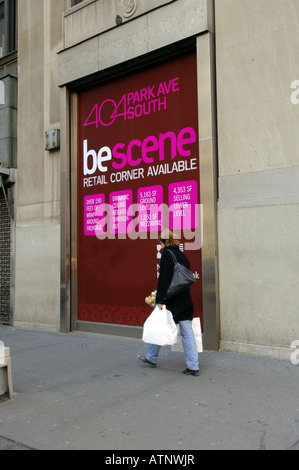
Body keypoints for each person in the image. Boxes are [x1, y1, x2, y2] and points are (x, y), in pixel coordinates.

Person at [138, 229, 199, 376]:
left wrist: (160, 299)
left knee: (160, 325)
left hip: (172, 299)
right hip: (184, 298)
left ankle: (151, 358)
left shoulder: (167, 253)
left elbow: (164, 278)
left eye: (160, 241)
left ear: (164, 241)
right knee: (187, 332)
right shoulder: (182, 256)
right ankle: (193, 366)